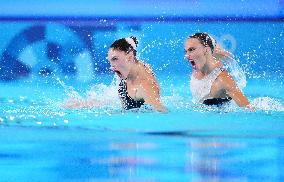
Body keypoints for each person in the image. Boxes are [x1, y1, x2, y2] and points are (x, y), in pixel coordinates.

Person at [64, 36, 167, 112]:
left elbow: (161, 111)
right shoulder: (130, 69)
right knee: (75, 104)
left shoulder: (144, 85)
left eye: (115, 59)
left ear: (130, 57)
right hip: (129, 104)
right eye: (110, 61)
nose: (111, 67)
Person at [184, 32, 251, 108]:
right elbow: (208, 42)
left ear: (206, 50)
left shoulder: (223, 80)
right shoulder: (198, 62)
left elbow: (249, 109)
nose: (187, 56)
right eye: (185, 51)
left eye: (191, 50)